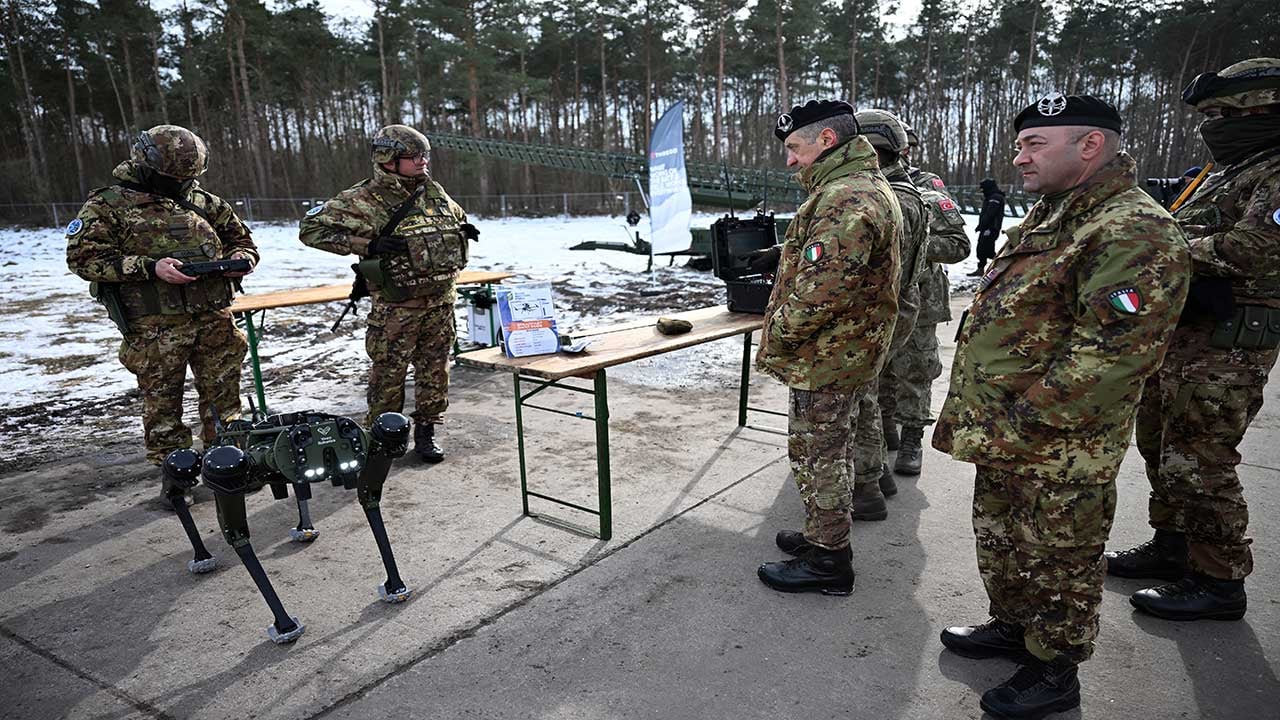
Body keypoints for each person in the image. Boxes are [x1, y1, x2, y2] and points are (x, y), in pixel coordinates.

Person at [932, 93, 1190, 718]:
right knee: (1002, 537)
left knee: (1058, 553)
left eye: (1033, 145)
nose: (1018, 156)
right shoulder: (1058, 213)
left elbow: (1112, 354)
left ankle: (1054, 667)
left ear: (1090, 145)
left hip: (1058, 441)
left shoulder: (1131, 227)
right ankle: (1014, 626)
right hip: (1006, 429)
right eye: (1021, 144)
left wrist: (1023, 420)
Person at [1109, 57, 1280, 622]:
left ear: (1259, 110)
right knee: (1160, 442)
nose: (1208, 126)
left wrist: (1166, 247)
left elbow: (1255, 247)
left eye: (1218, 114)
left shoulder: (1274, 171)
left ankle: (1219, 578)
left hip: (1229, 341)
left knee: (1201, 456)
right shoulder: (1227, 169)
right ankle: (1173, 545)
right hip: (1186, 333)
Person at [753, 99, 902, 596]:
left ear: (827, 141)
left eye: (795, 148)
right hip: (845, 352)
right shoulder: (855, 187)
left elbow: (823, 289)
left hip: (829, 356)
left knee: (820, 456)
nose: (790, 159)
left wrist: (777, 334)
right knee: (829, 451)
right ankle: (823, 534)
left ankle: (828, 561)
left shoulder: (845, 197)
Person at [65, 125, 258, 502]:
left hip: (213, 317)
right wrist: (149, 268)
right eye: (174, 178)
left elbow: (243, 240)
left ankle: (228, 464)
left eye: (189, 178)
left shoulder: (204, 201)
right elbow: (83, 259)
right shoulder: (107, 205)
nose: (182, 184)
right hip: (155, 327)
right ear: (147, 166)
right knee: (163, 404)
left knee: (224, 397)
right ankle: (177, 476)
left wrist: (241, 259)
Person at [300, 124, 476, 463]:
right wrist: (366, 244)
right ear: (388, 160)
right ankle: (385, 436)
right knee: (388, 376)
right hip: (397, 309)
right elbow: (311, 230)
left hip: (440, 304)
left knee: (435, 371)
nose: (424, 161)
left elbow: (455, 218)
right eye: (414, 156)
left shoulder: (432, 191)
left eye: (425, 155)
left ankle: (426, 432)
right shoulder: (362, 199)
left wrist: (460, 234)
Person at [837, 108, 927, 520]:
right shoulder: (906, 192)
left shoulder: (880, 198)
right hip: (898, 308)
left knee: (857, 401)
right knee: (869, 396)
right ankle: (879, 479)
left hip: (876, 313)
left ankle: (867, 486)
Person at [889, 179, 970, 476]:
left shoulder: (928, 195)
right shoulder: (865, 190)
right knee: (879, 373)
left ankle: (912, 438)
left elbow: (959, 245)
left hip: (922, 299)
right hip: (880, 299)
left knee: (916, 370)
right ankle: (885, 431)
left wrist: (915, 241)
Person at [969, 178, 1006, 276]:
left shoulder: (995, 198)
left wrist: (982, 225)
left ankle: (1000, 266)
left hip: (991, 228)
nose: (982, 191)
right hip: (987, 227)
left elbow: (990, 214)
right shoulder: (991, 196)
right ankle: (984, 268)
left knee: (985, 248)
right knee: (984, 248)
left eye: (983, 189)